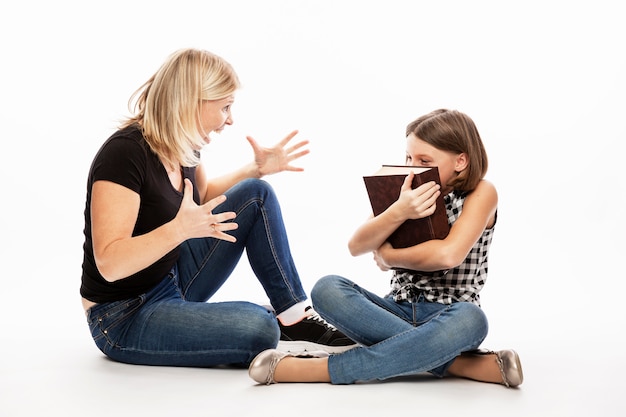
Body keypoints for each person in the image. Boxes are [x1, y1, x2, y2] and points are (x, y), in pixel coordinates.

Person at [80, 48, 356, 368]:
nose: (230, 119)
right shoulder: (125, 153)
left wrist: (255, 169)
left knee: (256, 194)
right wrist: (179, 230)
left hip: (172, 279)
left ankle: (294, 318)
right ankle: (265, 318)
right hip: (123, 315)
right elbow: (110, 263)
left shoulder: (185, 146)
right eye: (225, 107)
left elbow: (202, 197)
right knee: (260, 329)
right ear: (192, 100)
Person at [248, 109, 524, 387]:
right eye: (409, 157)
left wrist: (390, 256)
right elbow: (357, 245)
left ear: (461, 161)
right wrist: (399, 210)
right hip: (394, 310)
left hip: (449, 316)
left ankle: (318, 370)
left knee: (473, 319)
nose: (412, 166)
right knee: (326, 288)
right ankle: (458, 364)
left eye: (424, 160)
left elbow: (448, 255)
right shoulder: (405, 191)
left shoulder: (482, 192)